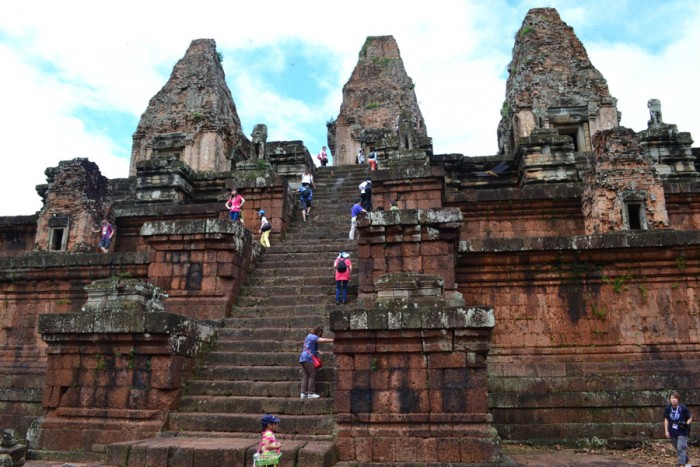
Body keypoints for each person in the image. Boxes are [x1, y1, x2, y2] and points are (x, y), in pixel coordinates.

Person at [299, 326, 333, 399]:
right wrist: (333, 340)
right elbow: (322, 340)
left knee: (306, 375)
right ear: (318, 332)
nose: (320, 335)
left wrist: (317, 351)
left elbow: (308, 347)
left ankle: (303, 393)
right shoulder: (313, 336)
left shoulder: (308, 336)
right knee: (312, 374)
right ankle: (311, 392)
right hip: (308, 358)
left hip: (303, 358)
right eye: (320, 333)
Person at [664, 391, 693, 467]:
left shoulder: (683, 407)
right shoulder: (668, 408)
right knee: (678, 448)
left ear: (678, 399)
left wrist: (686, 424)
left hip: (682, 431)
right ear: (670, 399)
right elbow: (666, 420)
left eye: (675, 398)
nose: (673, 400)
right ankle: (687, 462)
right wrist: (666, 431)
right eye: (672, 398)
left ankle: (681, 465)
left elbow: (690, 417)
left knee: (681, 448)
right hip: (673, 431)